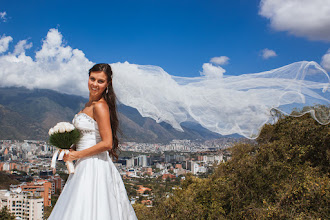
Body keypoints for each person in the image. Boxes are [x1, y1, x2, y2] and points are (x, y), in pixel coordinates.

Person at [48, 63, 138, 219]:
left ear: (108, 84)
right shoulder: (88, 105)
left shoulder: (100, 106)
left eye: (100, 81)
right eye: (92, 79)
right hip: (83, 164)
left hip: (94, 166)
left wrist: (77, 155)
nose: (95, 84)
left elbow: (107, 143)